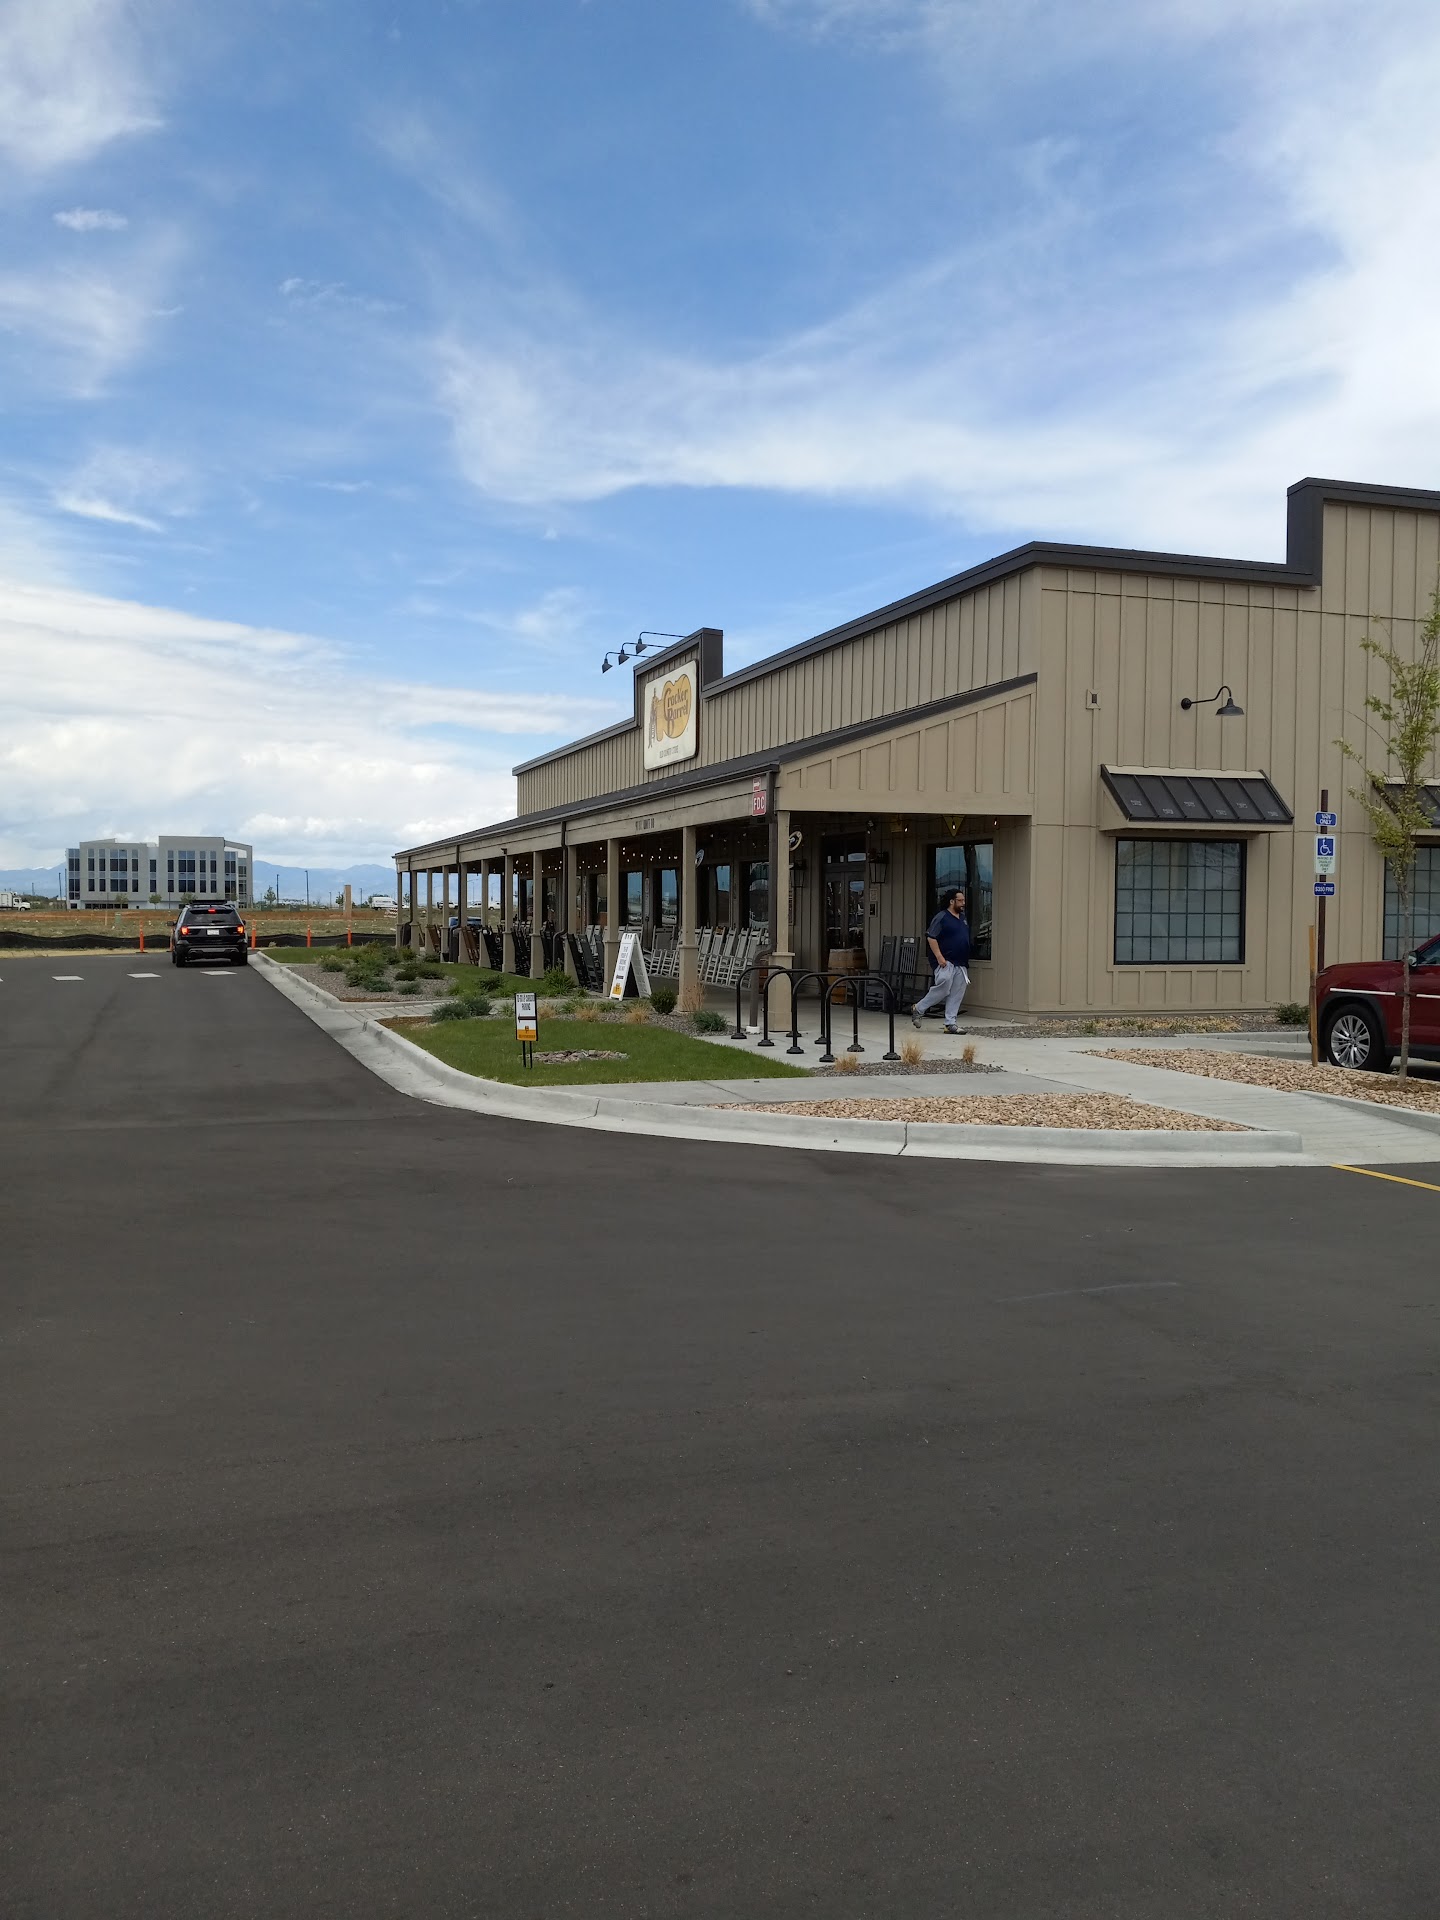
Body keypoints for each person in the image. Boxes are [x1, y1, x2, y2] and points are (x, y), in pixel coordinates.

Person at [911, 887, 971, 1033]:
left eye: (964, 900)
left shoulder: (962, 918)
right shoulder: (942, 917)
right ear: (952, 901)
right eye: (960, 900)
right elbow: (931, 937)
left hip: (961, 962)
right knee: (944, 985)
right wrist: (939, 957)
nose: (963, 903)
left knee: (957, 992)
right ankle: (919, 1008)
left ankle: (950, 1024)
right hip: (945, 961)